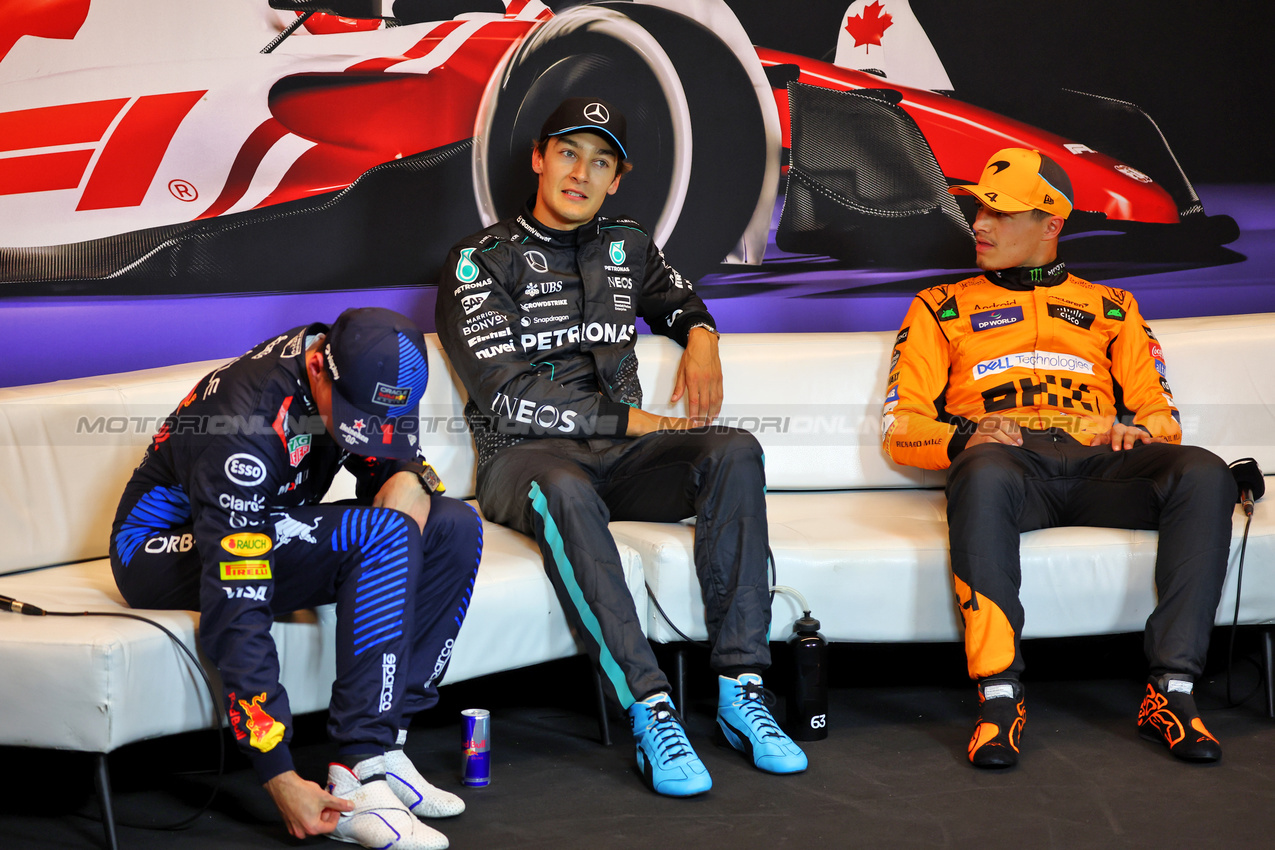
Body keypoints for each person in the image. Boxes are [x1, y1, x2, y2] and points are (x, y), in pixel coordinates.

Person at [434, 97, 807, 797]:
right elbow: (504, 393)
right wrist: (640, 425)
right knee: (565, 488)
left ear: (617, 178)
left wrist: (701, 336)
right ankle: (650, 707)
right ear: (539, 158)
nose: (581, 172)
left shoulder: (627, 243)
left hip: (621, 462)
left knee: (731, 449)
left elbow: (675, 298)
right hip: (526, 457)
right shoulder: (478, 260)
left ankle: (741, 689)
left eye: (599, 161)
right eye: (568, 153)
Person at [883, 147, 1234, 767]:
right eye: (978, 209)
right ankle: (998, 697)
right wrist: (967, 437)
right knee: (983, 471)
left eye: (1002, 213)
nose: (980, 226)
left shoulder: (1113, 307)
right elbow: (901, 429)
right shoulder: (939, 307)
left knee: (1205, 472)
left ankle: (1173, 692)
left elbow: (1160, 410)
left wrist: (1142, 433)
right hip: (1011, 468)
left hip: (1101, 465)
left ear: (1052, 224)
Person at [110, 308, 483, 850]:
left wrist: (406, 475)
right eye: (354, 418)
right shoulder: (245, 426)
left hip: (263, 520)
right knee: (378, 534)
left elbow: (396, 460)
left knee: (453, 524)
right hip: (162, 548)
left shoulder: (369, 373)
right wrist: (277, 773)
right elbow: (235, 604)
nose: (365, 432)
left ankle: (386, 747)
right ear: (316, 367)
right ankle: (357, 772)